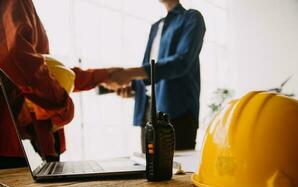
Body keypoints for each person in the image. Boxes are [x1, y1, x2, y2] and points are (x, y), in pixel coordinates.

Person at [0, 0, 121, 169]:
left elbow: (48, 71)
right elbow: (17, 59)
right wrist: (62, 106)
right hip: (18, 142)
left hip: (20, 142)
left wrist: (102, 76)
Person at [107, 0, 206, 152]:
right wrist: (131, 87)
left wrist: (129, 73)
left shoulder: (192, 17)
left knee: (178, 171)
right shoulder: (155, 27)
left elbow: (181, 62)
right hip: (148, 108)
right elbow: (149, 71)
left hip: (177, 111)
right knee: (149, 169)